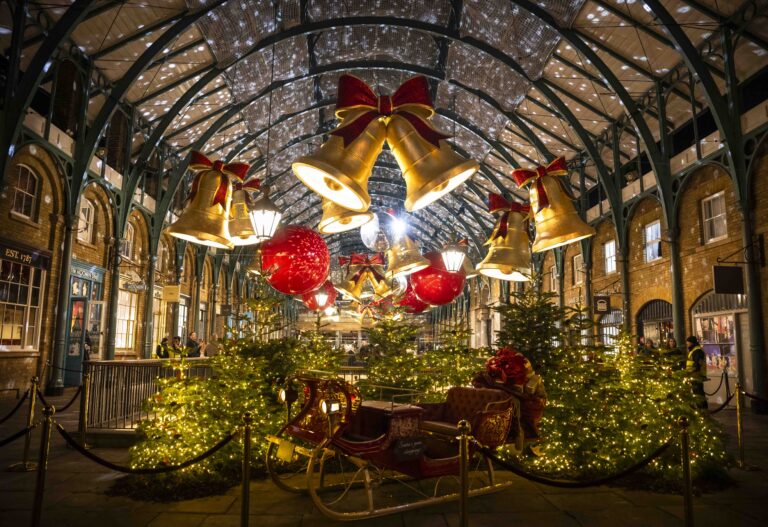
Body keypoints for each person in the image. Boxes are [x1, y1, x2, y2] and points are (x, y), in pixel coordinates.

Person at [685, 336, 708, 409]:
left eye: (688, 342)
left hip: (697, 375)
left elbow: (697, 364)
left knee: (699, 393)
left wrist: (691, 372)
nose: (687, 343)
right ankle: (700, 408)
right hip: (693, 375)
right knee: (696, 393)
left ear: (692, 342)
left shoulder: (697, 351)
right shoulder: (692, 350)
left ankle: (702, 409)